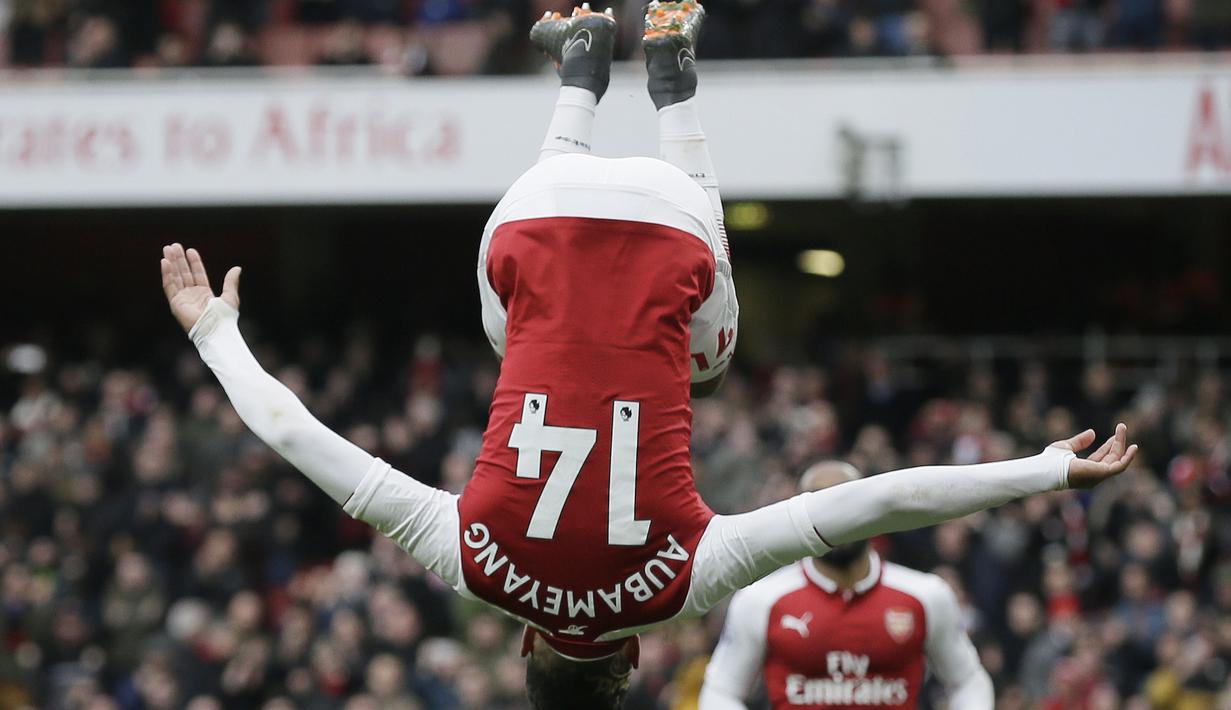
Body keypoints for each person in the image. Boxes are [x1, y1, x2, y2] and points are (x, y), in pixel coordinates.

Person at [158, 2, 1138, 707]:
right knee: (517, 325)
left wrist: (1048, 470)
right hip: (531, 213)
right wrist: (213, 331)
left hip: (673, 225)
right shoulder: (467, 561)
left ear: (627, 662)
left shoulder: (682, 584)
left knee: (710, 357)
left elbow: (877, 502)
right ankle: (580, 74)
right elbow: (297, 435)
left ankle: (672, 84)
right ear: (529, 644)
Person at [699, 461, 994, 709]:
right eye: (822, 505)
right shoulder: (760, 600)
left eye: (847, 502)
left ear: (870, 510)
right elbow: (721, 691)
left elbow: (967, 681)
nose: (836, 519)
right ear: (799, 519)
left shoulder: (926, 595)